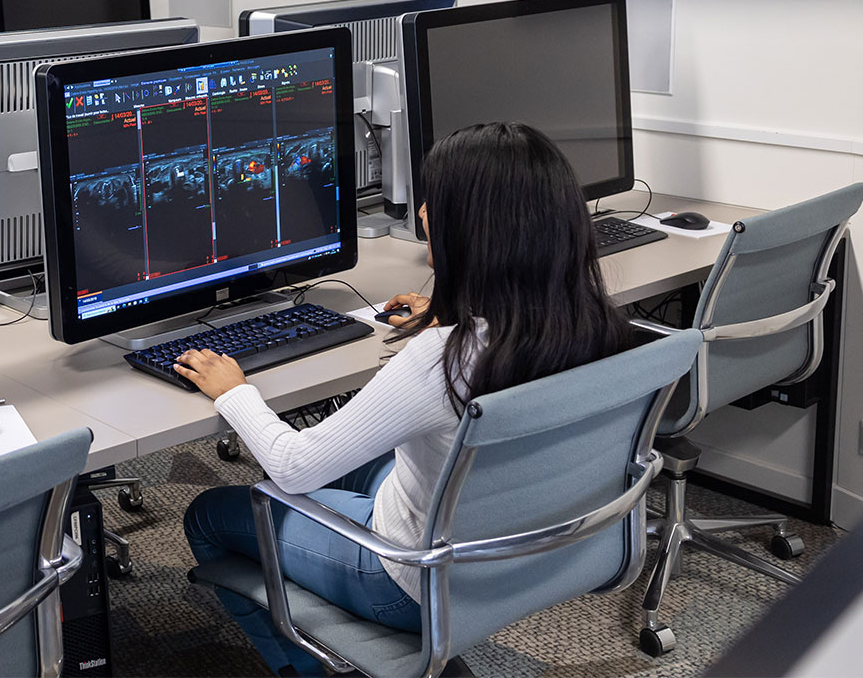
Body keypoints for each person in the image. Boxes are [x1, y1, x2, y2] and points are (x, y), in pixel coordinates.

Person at [175, 121, 633, 677]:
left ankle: (309, 667)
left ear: (472, 231)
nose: (422, 213)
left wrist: (236, 392)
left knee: (211, 513)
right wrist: (449, 319)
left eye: (435, 203)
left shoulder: (443, 360)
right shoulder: (595, 324)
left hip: (414, 581)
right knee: (360, 461)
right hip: (532, 556)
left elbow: (294, 467)